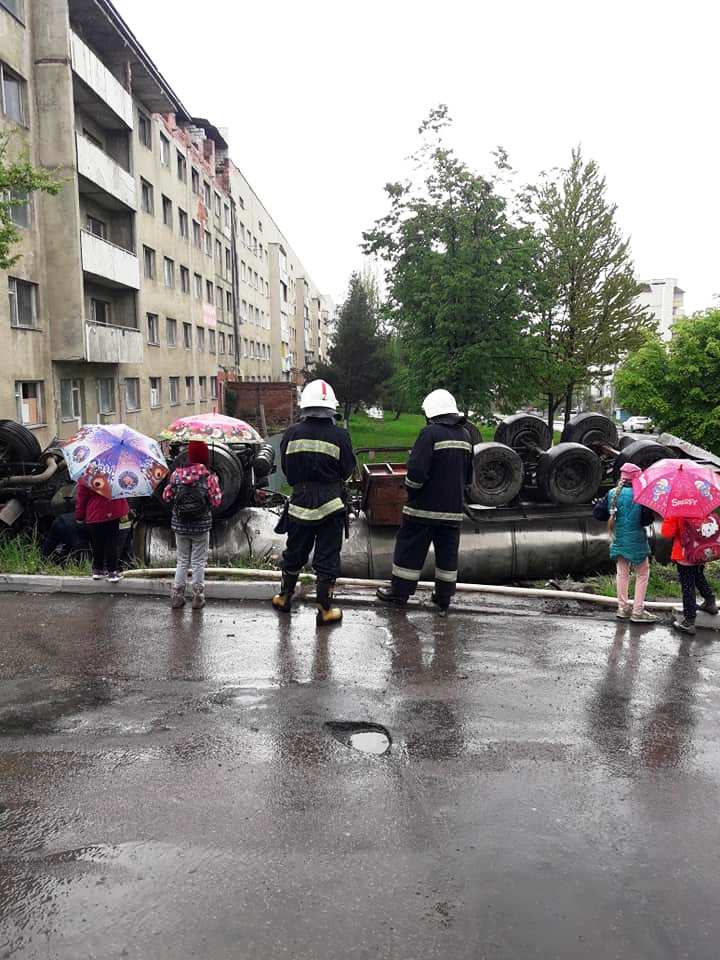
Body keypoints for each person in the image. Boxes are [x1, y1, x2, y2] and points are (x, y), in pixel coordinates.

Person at [376, 388, 473, 616]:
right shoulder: (466, 436)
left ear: (431, 413)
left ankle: (399, 594)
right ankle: (443, 598)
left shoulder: (429, 434)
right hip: (452, 512)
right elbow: (469, 476)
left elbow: (417, 472)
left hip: (422, 511)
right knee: (447, 556)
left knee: (409, 550)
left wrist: (411, 490)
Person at [271, 379, 356, 625]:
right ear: (331, 409)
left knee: (294, 552)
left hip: (299, 504)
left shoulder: (291, 433)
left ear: (305, 407)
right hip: (331, 506)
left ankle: (284, 598)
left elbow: (286, 469)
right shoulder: (341, 435)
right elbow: (347, 470)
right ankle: (325, 610)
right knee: (327, 558)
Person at [593, 462, 658, 623]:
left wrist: (597, 504)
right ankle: (637, 611)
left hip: (619, 539)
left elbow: (599, 514)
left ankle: (622, 608)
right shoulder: (641, 495)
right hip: (637, 542)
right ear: (637, 478)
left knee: (622, 573)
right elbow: (646, 520)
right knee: (642, 573)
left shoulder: (612, 493)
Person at [163, 440, 222, 610]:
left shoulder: (176, 475)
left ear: (189, 455)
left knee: (182, 561)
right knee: (198, 562)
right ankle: (197, 597)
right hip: (201, 526)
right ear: (204, 457)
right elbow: (217, 501)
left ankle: (177, 597)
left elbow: (166, 496)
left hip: (180, 525)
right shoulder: (209, 477)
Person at [661, 514, 718, 636]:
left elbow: (667, 533)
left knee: (688, 587)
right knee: (699, 576)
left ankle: (689, 621)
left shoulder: (677, 511)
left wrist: (668, 518)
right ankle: (710, 601)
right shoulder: (700, 508)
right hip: (700, 551)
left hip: (684, 555)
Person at [75, 481, 128, 583]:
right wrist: (124, 510)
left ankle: (97, 570)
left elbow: (82, 497)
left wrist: (79, 516)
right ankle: (112, 572)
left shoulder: (87, 477)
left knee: (97, 543)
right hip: (113, 511)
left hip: (94, 514)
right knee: (112, 542)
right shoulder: (116, 476)